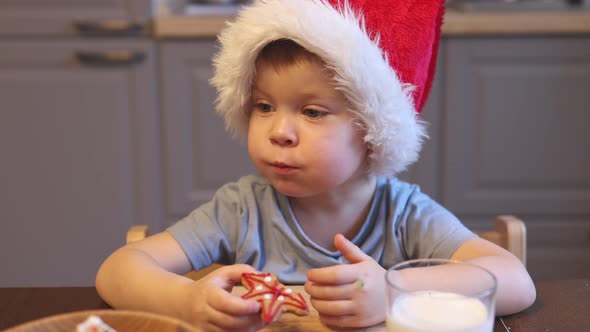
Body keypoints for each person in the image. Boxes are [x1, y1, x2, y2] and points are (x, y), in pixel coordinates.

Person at [96, 0, 536, 330]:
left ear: (373, 130)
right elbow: (117, 271)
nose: (279, 131)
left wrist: (392, 291)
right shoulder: (240, 210)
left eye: (311, 112)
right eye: (264, 105)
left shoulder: (403, 214)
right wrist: (188, 301)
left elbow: (516, 282)